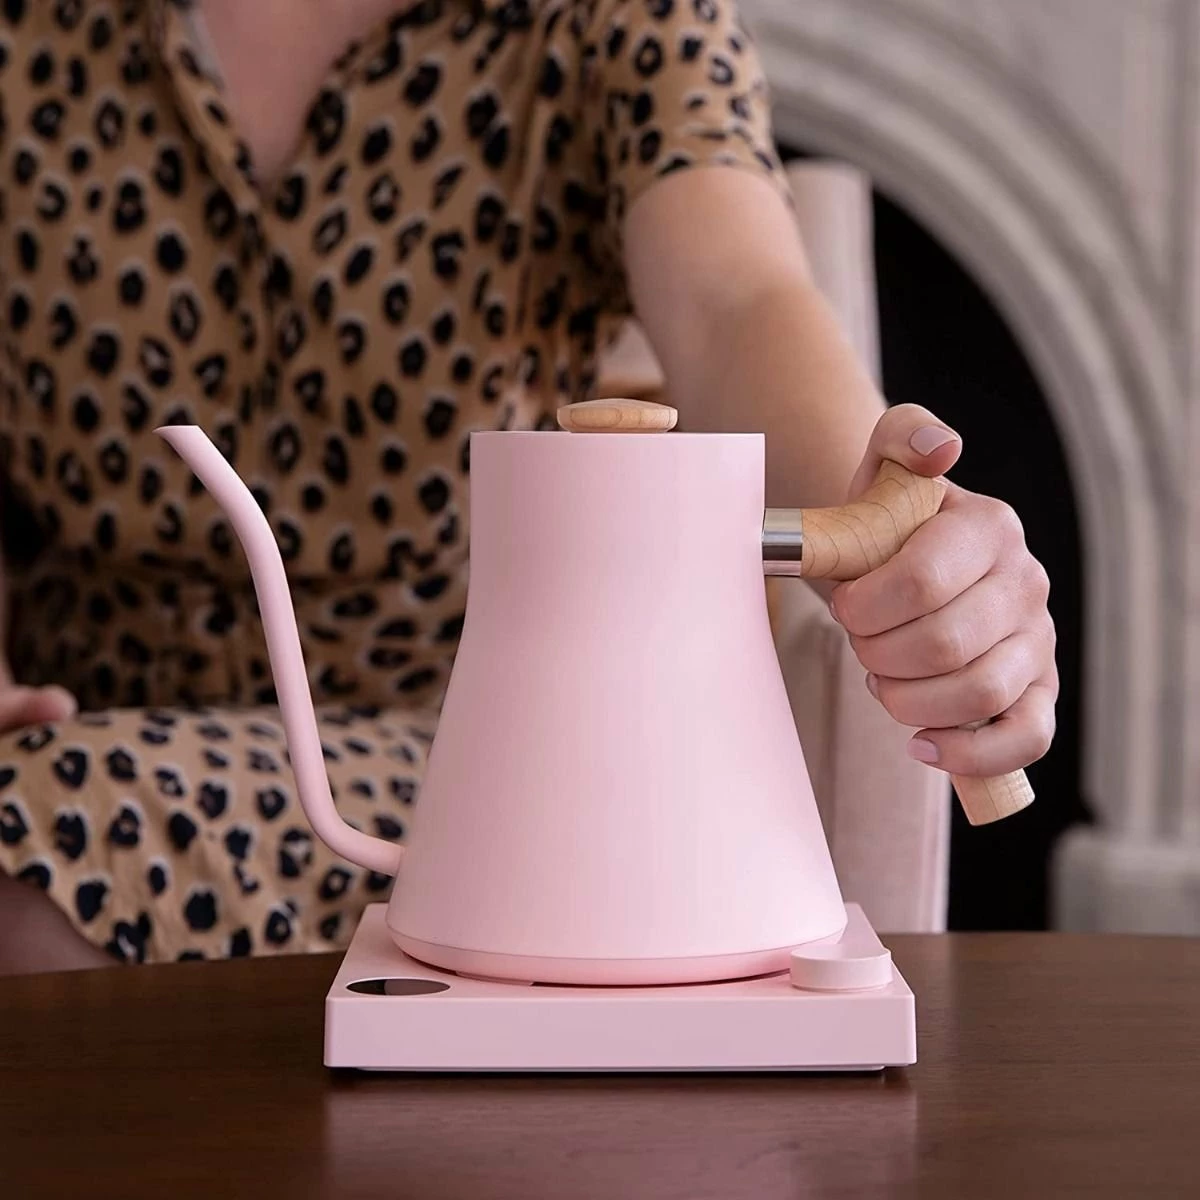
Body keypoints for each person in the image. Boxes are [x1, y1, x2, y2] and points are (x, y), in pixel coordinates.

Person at [0, 0, 1056, 973]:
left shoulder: (607, 20)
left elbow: (735, 302)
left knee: (36, 835)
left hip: (474, 756)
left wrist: (896, 542)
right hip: (63, 714)